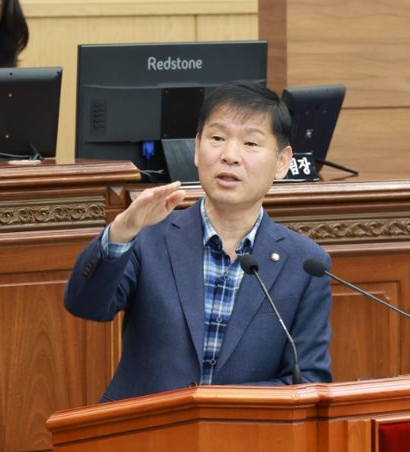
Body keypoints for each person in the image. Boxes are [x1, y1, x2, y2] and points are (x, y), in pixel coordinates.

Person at [64, 82, 333, 402]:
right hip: (145, 427)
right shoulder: (149, 235)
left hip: (244, 429)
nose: (230, 156)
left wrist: (211, 408)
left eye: (250, 143)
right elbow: (86, 305)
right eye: (217, 138)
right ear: (196, 148)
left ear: (282, 162)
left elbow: (308, 381)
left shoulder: (305, 264)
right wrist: (122, 231)